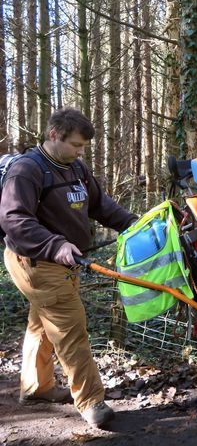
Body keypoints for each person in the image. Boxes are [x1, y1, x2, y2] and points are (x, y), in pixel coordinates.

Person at [0, 108, 138, 428]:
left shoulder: (75, 167)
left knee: (42, 322)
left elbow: (100, 205)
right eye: (76, 145)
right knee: (70, 328)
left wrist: (133, 224)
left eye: (83, 147)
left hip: (65, 261)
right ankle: (91, 401)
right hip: (36, 261)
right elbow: (14, 220)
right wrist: (56, 245)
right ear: (53, 135)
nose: (80, 152)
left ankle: (37, 388)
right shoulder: (27, 171)